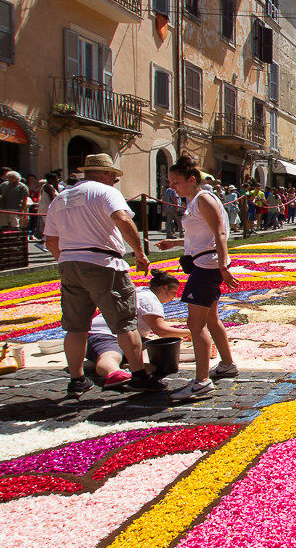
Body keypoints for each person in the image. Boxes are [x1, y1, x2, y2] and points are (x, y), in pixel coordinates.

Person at [43, 153, 155, 397]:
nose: (115, 181)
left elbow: (50, 239)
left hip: (69, 263)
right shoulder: (105, 192)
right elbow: (122, 219)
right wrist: (139, 252)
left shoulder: (60, 198)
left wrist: (64, 259)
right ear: (108, 174)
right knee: (124, 321)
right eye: (114, 177)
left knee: (76, 326)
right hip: (102, 262)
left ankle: (77, 379)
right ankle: (139, 374)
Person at [157, 155, 240, 401]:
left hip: (207, 266)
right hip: (204, 263)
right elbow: (200, 237)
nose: (172, 186)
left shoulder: (203, 198)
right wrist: (174, 243)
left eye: (176, 181)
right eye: (170, 181)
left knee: (195, 325)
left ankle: (202, 382)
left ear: (191, 179)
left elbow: (220, 233)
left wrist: (224, 265)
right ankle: (226, 364)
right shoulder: (195, 200)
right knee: (211, 319)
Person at [84, 269, 190, 384]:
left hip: (125, 333)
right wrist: (189, 333)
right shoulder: (150, 301)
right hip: (103, 333)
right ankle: (114, 372)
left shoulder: (143, 291)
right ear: (164, 288)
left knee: (153, 349)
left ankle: (135, 365)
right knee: (111, 354)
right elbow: (161, 330)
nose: (174, 297)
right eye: (174, 292)